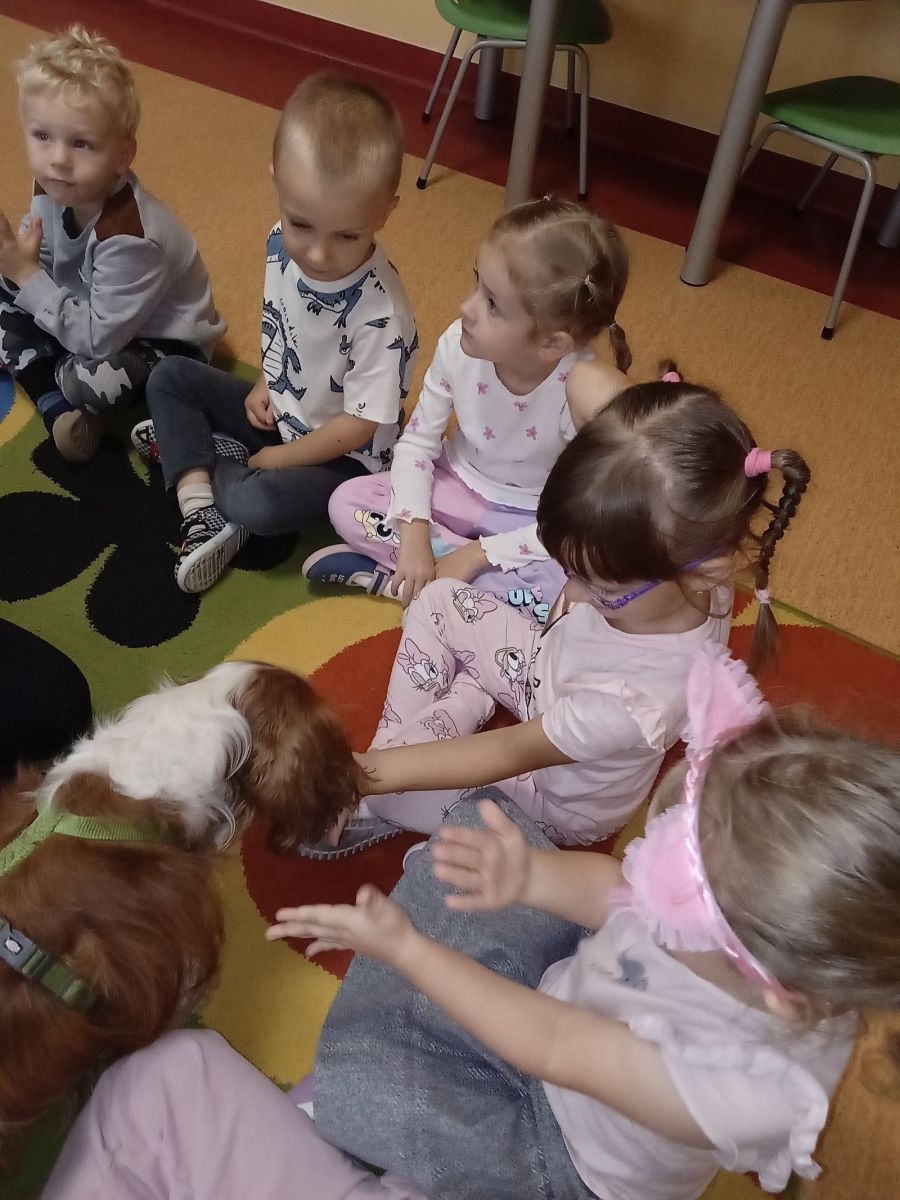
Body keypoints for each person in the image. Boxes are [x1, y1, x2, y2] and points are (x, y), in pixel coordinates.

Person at [265, 648, 900, 1200]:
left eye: (672, 886)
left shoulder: (747, 1094)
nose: (648, 872)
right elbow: (614, 893)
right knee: (480, 837)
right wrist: (529, 878)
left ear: (773, 987)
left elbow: (554, 1042)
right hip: (571, 995)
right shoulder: (762, 919)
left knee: (375, 1080)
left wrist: (406, 950)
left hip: (555, 1151)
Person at [307, 368, 810, 857]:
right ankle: (449, 714)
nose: (579, 595)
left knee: (391, 789)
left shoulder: (637, 699)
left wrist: (366, 774)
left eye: (603, 587)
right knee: (437, 597)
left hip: (551, 800)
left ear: (707, 571)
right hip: (542, 672)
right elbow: (585, 380)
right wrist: (641, 422)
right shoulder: (692, 547)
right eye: (572, 571)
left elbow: (504, 752)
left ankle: (384, 785)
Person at [133, 72, 416, 594]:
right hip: (285, 415)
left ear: (385, 211)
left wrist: (280, 458)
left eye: (347, 235)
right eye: (301, 223)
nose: (318, 253)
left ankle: (195, 454)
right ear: (278, 185)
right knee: (168, 377)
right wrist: (266, 380)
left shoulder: (382, 314)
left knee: (258, 504)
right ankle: (199, 502)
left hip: (343, 460)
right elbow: (281, 323)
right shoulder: (279, 245)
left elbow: (357, 427)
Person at [303, 197, 630, 625]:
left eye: (492, 304)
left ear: (552, 343)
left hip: (533, 517)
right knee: (348, 502)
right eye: (477, 282)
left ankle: (406, 580)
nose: (466, 308)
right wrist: (415, 532)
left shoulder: (580, 390)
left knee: (572, 592)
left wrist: (480, 553)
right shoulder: (457, 345)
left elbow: (580, 519)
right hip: (455, 482)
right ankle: (445, 585)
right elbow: (417, 444)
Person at [0, 26, 225, 464]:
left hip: (158, 345)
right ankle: (57, 409)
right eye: (42, 136)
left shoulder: (130, 236)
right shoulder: (56, 183)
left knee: (95, 380)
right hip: (88, 311)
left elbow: (98, 341)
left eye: (81, 143)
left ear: (122, 156)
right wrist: (17, 262)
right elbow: (39, 258)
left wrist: (26, 277)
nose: (58, 159)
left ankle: (44, 381)